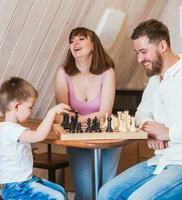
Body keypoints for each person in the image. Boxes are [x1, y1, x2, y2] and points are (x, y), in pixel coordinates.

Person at [98, 19, 182, 200]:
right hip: (162, 161)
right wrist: (149, 127)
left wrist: (167, 132)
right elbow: (142, 112)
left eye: (143, 52)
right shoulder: (155, 80)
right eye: (137, 53)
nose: (139, 59)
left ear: (163, 46)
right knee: (106, 193)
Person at [55, 27, 121, 200]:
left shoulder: (107, 72)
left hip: (107, 137)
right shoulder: (63, 73)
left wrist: (77, 120)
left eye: (81, 39)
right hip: (77, 139)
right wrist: (83, 121)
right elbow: (62, 114)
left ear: (93, 45)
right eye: (71, 40)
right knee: (85, 193)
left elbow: (105, 112)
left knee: (106, 192)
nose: (75, 43)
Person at [0, 77, 70, 200]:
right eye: (30, 107)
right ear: (17, 106)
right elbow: (38, 135)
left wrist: (23, 153)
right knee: (57, 197)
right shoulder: (12, 130)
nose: (31, 111)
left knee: (60, 190)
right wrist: (51, 113)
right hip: (17, 188)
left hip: (23, 182)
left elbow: (0, 156)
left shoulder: (3, 129)